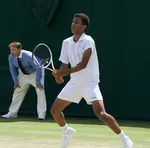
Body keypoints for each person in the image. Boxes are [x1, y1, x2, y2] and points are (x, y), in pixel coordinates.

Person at [51, 13, 133, 148]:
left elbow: (83, 64)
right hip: (74, 83)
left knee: (101, 113)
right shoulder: (66, 42)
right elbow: (64, 64)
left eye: (76, 22)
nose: (73, 24)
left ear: (83, 27)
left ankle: (125, 139)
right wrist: (59, 75)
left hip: (90, 83)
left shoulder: (88, 41)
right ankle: (67, 132)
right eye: (72, 21)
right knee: (55, 110)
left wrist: (63, 73)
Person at [2, 41, 47, 120]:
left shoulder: (28, 56)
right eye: (11, 50)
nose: (12, 51)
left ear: (19, 49)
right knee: (17, 92)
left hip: (36, 72)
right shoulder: (11, 57)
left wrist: (38, 81)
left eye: (14, 49)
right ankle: (12, 113)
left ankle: (41, 115)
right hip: (23, 74)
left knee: (40, 92)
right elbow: (12, 70)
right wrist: (16, 82)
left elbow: (38, 67)